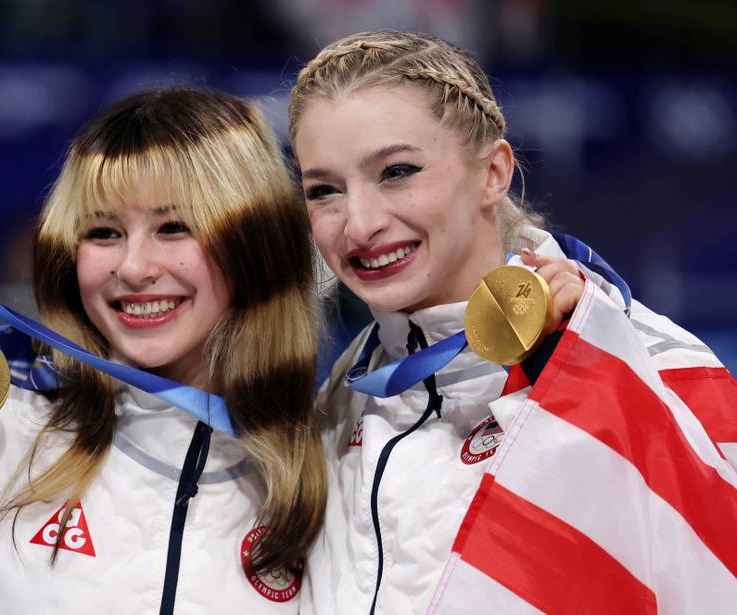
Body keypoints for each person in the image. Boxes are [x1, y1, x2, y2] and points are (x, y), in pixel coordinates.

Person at [287, 31, 737, 614]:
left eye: (397, 172)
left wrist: (581, 392)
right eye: (324, 191)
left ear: (493, 173)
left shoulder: (653, 366)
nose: (360, 223)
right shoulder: (339, 405)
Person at [0, 88, 326, 614]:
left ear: (256, 244)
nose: (132, 268)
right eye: (103, 232)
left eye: (174, 228)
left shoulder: (330, 472)